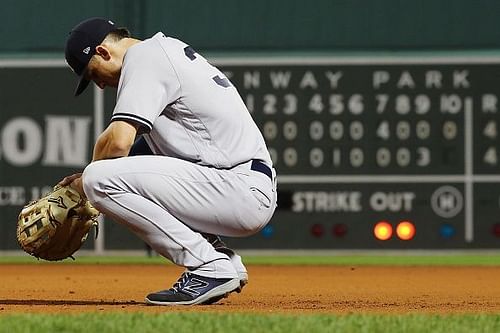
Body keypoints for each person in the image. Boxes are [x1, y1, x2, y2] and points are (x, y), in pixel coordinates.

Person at [61, 17, 277, 306]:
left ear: (102, 52)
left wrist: (83, 187)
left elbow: (118, 142)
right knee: (102, 176)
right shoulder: (162, 54)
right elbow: (134, 159)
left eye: (92, 74)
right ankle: (221, 259)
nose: (98, 85)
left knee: (97, 179)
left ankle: (209, 267)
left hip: (237, 185)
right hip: (237, 183)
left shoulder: (146, 58)